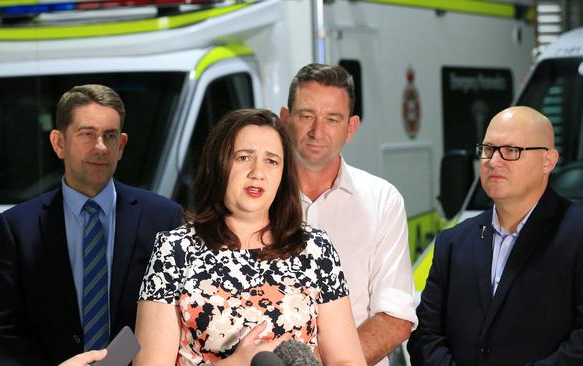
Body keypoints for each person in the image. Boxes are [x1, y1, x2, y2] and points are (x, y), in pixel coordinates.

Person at [134, 109, 366, 366]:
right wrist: (236, 363)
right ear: (218, 164)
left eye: (272, 161)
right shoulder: (174, 250)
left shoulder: (315, 249)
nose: (258, 172)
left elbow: (348, 361)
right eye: (244, 158)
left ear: (283, 174)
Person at [0, 84, 182, 365]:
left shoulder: (163, 218)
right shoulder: (19, 226)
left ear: (121, 146)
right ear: (59, 143)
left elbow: (181, 317)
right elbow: (6, 331)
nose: (100, 147)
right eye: (87, 134)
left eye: (110, 136)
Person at [407, 106, 583, 365]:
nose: (493, 161)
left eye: (511, 151)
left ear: (548, 161)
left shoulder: (576, 231)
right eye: (488, 150)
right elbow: (425, 335)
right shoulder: (453, 241)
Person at [279, 63, 417, 365]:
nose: (317, 131)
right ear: (285, 119)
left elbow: (395, 317)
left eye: (332, 119)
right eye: (306, 116)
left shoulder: (383, 201)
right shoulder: (256, 197)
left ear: (351, 128)